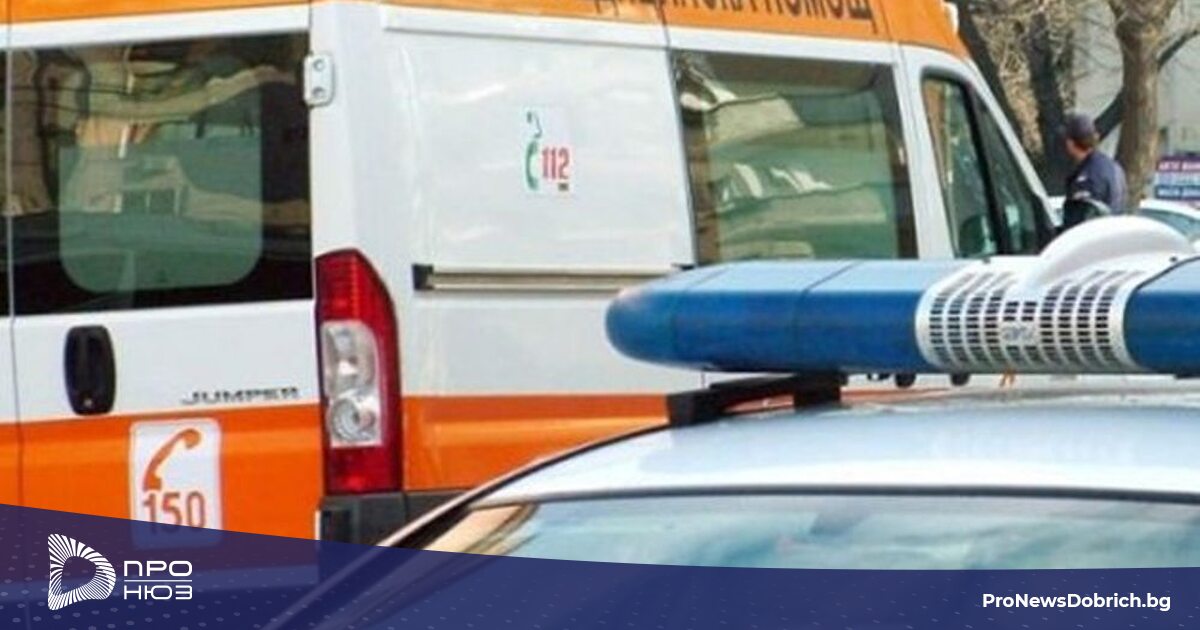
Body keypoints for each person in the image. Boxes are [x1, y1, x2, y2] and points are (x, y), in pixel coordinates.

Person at [1061, 113, 1128, 229]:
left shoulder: (1086, 179)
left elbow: (1082, 224)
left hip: (1097, 238)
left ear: (1070, 143)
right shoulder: (1114, 167)